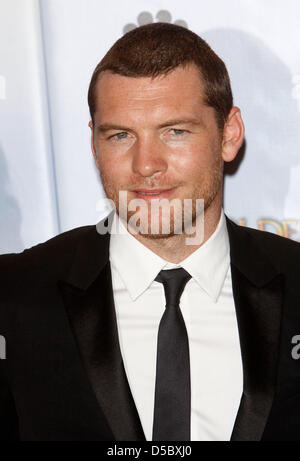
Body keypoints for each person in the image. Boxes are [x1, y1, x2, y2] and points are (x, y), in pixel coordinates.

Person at [0, 22, 300, 442]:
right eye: (121, 135)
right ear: (93, 145)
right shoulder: (14, 295)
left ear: (229, 135)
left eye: (175, 131)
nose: (146, 164)